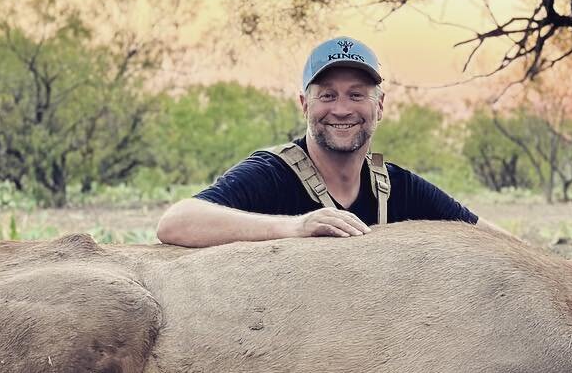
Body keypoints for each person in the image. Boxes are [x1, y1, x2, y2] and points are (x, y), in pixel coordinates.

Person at [157, 36, 497, 246]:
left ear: (379, 106)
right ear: (305, 105)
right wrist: (297, 226)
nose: (342, 109)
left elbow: (487, 236)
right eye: (328, 95)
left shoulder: (398, 186)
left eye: (356, 95)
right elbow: (176, 222)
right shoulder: (271, 173)